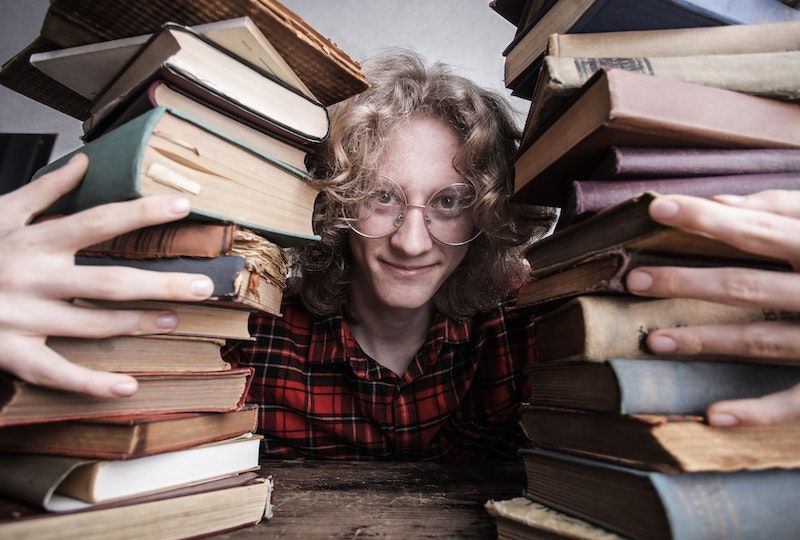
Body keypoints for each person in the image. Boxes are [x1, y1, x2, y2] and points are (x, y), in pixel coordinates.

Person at [1, 52, 799, 460]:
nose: (413, 241)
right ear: (338, 204)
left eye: (449, 203)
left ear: (488, 213)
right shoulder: (247, 325)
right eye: (382, 198)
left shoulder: (540, 323)